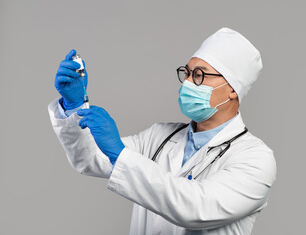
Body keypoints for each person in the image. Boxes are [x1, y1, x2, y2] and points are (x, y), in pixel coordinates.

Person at [48, 27, 277, 235]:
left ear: (232, 90)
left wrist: (120, 152)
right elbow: (90, 160)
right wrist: (75, 106)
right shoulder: (160, 136)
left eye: (199, 75)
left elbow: (197, 208)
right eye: (187, 73)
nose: (187, 82)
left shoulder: (255, 158)